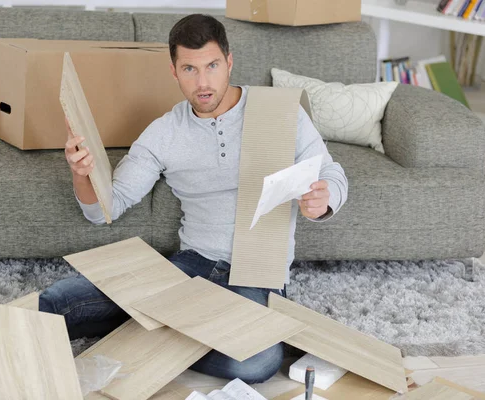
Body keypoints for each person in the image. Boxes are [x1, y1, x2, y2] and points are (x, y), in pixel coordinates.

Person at [40, 13, 348, 384]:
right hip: (190, 269)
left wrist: (325, 199)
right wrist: (80, 172)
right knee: (57, 302)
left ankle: (148, 325)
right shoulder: (163, 133)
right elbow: (106, 206)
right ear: (174, 71)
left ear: (229, 61)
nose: (203, 83)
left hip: (255, 276)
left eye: (212, 66)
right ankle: (164, 323)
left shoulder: (281, 112)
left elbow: (330, 172)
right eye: (189, 69)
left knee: (257, 362)